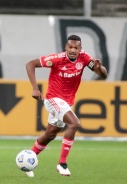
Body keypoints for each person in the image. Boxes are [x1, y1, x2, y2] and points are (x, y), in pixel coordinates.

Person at [25, 35, 107, 177]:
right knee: (74, 124)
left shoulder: (85, 58)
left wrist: (100, 68)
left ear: (80, 49)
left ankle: (28, 158)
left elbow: (103, 75)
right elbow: (30, 64)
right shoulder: (57, 59)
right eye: (70, 47)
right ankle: (62, 163)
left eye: (76, 47)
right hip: (53, 99)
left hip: (66, 102)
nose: (73, 50)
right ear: (66, 47)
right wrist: (34, 88)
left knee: (50, 134)